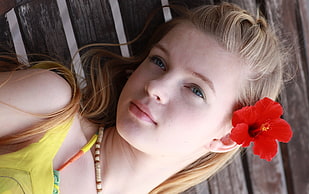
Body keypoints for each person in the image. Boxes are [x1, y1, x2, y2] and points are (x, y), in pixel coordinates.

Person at [0, 2, 292, 194]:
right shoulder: (48, 112)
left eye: (196, 90)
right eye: (159, 62)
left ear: (225, 138)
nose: (157, 87)